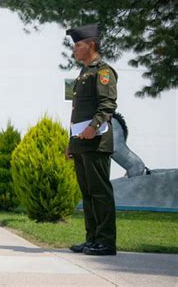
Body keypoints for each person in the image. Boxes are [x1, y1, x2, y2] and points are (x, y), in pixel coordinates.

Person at [65, 23, 117, 256]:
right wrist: (72, 144)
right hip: (82, 143)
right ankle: (92, 239)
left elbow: (107, 105)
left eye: (78, 45)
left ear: (91, 45)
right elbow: (77, 113)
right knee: (87, 194)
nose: (74, 50)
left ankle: (106, 242)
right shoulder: (83, 74)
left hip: (97, 142)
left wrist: (94, 127)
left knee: (100, 193)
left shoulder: (103, 72)